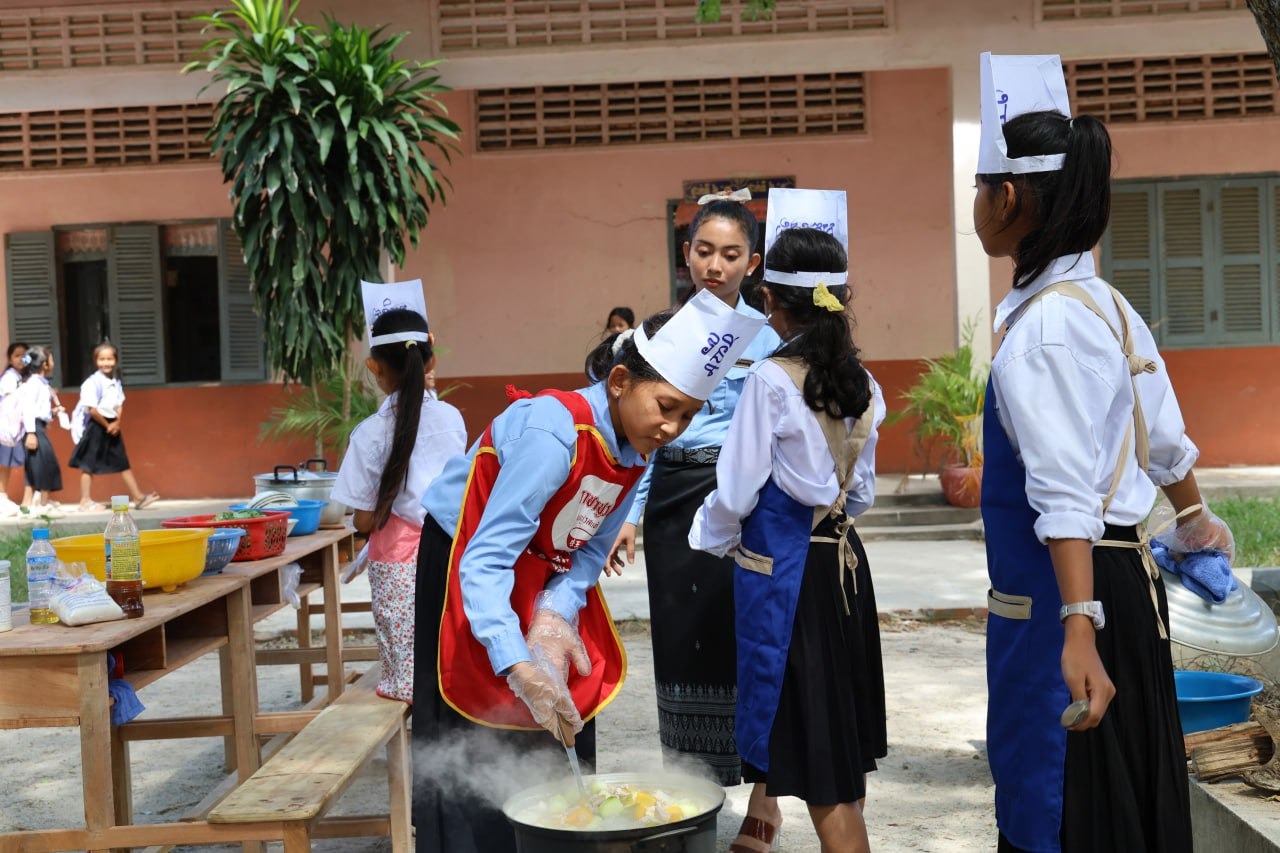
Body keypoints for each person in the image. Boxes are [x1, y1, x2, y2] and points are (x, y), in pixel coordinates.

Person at [973, 53, 1233, 853]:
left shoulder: (1045, 329)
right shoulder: (1104, 304)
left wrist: (1078, 627)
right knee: (1126, 808)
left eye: (980, 188)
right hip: (1119, 584)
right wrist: (1194, 520)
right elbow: (1164, 438)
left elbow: (1061, 493)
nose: (976, 205)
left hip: (1072, 592)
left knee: (1065, 811)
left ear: (1009, 197)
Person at [412, 290, 765, 853]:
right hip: (466, 554)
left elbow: (589, 554)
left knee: (559, 707)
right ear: (620, 381)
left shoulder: (637, 445)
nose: (673, 428)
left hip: (539, 561)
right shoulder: (554, 436)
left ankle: (557, 836)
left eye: (689, 416)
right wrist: (515, 659)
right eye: (666, 407)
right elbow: (486, 559)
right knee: (484, 706)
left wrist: (554, 614)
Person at [690, 223, 886, 853]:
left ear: (770, 299)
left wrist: (710, 537)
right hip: (845, 571)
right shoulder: (863, 382)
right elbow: (860, 495)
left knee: (822, 769)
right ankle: (769, 822)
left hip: (790, 582)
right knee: (839, 750)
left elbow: (737, 489)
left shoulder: (771, 380)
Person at [606, 191, 784, 847]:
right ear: (686, 256)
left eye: (730, 253)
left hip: (743, 499)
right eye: (704, 250)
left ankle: (766, 794)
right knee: (683, 648)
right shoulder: (661, 334)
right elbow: (649, 432)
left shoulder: (769, 337)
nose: (715, 264)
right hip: (675, 502)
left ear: (753, 261)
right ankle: (693, 794)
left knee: (752, 645)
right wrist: (630, 509)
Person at [331, 301, 467, 702]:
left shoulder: (370, 433)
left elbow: (364, 521)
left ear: (374, 368)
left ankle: (410, 760)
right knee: (445, 659)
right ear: (430, 359)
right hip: (448, 552)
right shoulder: (452, 418)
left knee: (406, 677)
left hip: (398, 564)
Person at [68, 342, 159, 512]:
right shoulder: (92, 382)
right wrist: (107, 425)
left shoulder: (115, 381)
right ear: (96, 361)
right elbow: (92, 409)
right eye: (102, 359)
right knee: (87, 464)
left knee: (122, 461)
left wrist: (117, 422)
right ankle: (85, 501)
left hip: (112, 425)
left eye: (110, 359)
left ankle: (138, 497)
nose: (106, 363)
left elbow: (120, 403)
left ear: (115, 360)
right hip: (96, 425)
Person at [17, 345, 65, 508]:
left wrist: (53, 413)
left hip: (38, 427)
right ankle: (43, 503)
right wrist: (31, 433)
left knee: (34, 465)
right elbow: (28, 409)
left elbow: (40, 410)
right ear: (45, 364)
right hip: (34, 429)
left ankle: (27, 504)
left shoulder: (41, 384)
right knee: (46, 463)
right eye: (51, 359)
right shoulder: (34, 384)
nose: (53, 363)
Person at [0, 341, 30, 508]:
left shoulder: (26, 377)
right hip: (7, 427)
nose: (21, 359)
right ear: (10, 359)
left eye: (24, 355)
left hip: (20, 426)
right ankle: (2, 495)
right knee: (5, 461)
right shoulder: (8, 378)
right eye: (17, 355)